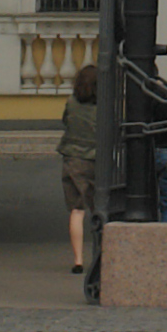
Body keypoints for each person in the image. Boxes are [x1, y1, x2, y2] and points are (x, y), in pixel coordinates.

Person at [60, 64, 99, 273]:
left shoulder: (71, 102)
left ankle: (78, 260)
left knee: (77, 210)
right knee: (100, 210)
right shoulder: (104, 106)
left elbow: (66, 122)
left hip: (73, 159)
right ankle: (103, 254)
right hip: (98, 160)